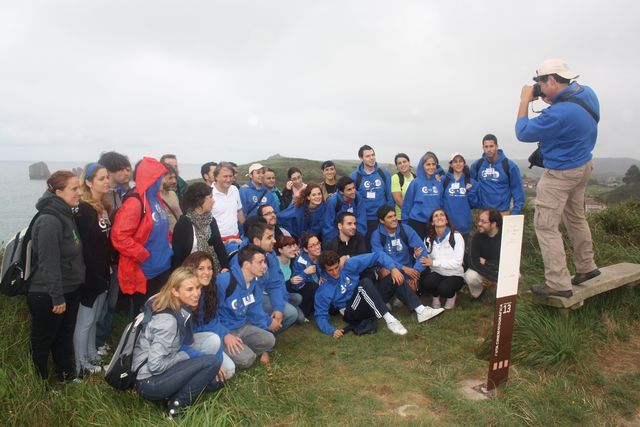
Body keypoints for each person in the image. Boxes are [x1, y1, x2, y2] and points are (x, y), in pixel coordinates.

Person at [516, 58, 601, 297]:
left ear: (552, 80)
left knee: (545, 225)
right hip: (583, 165)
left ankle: (558, 283)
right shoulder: (587, 94)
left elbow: (522, 132)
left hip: (561, 174)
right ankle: (586, 266)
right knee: (576, 218)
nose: (538, 88)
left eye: (541, 83)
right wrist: (552, 98)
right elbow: (572, 113)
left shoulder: (559, 113)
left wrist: (524, 100)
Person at [132, 267, 224, 419]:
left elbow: (184, 342)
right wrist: (184, 355)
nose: (196, 293)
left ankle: (169, 396)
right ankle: (174, 409)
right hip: (148, 382)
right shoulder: (168, 322)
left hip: (159, 370)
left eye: (198, 287)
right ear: (175, 291)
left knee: (214, 381)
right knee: (211, 363)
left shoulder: (176, 306)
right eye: (189, 289)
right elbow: (155, 366)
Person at [28, 171, 85, 381]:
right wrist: (57, 296)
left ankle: (66, 376)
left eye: (79, 187)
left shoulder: (66, 213)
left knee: (63, 336)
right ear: (58, 192)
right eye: (75, 189)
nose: (80, 193)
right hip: (48, 293)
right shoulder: (49, 220)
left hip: (69, 288)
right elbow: (48, 262)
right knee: (43, 340)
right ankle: (38, 383)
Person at [111, 157, 172, 317]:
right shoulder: (135, 202)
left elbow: (160, 229)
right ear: (151, 177)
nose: (162, 180)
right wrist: (142, 254)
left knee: (159, 313)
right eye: (159, 176)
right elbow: (119, 236)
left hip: (162, 267)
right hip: (145, 272)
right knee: (143, 315)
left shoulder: (156, 199)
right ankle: (136, 342)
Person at [314, 251, 419, 338]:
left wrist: (393, 268)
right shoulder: (323, 289)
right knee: (364, 283)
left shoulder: (348, 265)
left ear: (339, 263)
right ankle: (390, 321)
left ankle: (420, 309)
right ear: (324, 270)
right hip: (351, 311)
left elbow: (378, 255)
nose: (335, 272)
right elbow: (320, 315)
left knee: (393, 277)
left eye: (336, 268)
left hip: (367, 298)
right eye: (330, 270)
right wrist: (331, 330)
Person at [73, 163, 112, 377]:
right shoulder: (85, 210)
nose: (107, 181)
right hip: (90, 275)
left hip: (103, 272)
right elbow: (85, 248)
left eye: (107, 177)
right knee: (85, 320)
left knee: (95, 317)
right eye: (101, 178)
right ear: (88, 182)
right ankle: (80, 365)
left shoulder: (101, 206)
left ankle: (90, 355)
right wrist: (94, 276)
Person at [216, 246, 277, 369]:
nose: (264, 266)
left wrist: (265, 350)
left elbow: (257, 315)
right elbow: (208, 314)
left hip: (242, 327)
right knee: (247, 359)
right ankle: (221, 349)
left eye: (264, 262)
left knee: (270, 339)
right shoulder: (224, 281)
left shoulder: (254, 285)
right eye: (260, 262)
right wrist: (225, 334)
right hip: (222, 330)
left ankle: (240, 346)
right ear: (247, 264)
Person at [95, 150, 132, 354]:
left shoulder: (120, 193)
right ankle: (96, 342)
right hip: (104, 258)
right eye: (120, 170)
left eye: (127, 169)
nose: (125, 174)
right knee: (101, 303)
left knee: (111, 302)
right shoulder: (100, 198)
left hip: (117, 256)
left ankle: (103, 339)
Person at [182, 252, 236, 380]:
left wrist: (225, 333)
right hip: (183, 345)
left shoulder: (209, 290)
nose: (207, 272)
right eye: (201, 268)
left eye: (210, 268)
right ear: (190, 269)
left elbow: (213, 319)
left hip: (204, 338)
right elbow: (179, 341)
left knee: (230, 370)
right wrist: (211, 362)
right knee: (214, 341)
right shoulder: (184, 294)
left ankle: (204, 370)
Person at [246, 223, 303, 333]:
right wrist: (268, 320)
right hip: (251, 301)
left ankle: (266, 337)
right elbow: (248, 298)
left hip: (265, 294)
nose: (274, 240)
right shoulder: (244, 260)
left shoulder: (269, 255)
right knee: (292, 313)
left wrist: (278, 308)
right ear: (257, 241)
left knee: (292, 309)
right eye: (269, 237)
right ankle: (261, 339)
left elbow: (275, 283)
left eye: (273, 236)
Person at [172, 182, 229, 273]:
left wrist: (225, 267)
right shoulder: (183, 224)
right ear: (199, 201)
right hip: (191, 274)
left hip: (213, 270)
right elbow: (177, 257)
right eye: (210, 197)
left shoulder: (211, 220)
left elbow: (219, 246)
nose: (213, 200)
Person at [418, 209, 465, 310]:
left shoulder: (456, 236)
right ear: (432, 222)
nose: (439, 217)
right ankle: (435, 297)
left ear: (446, 220)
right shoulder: (427, 239)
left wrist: (434, 263)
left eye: (442, 215)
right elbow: (426, 258)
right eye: (436, 216)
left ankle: (451, 296)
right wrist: (416, 255)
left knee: (445, 289)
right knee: (427, 282)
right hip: (437, 272)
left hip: (455, 274)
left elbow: (457, 263)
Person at [470, 134, 525, 215]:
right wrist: (474, 203)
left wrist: (515, 213)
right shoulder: (477, 165)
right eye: (486, 147)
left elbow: (518, 191)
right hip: (483, 214)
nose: (489, 149)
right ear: (483, 148)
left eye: (491, 146)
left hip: (502, 213)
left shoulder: (509, 166)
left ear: (497, 146)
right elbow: (471, 186)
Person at [351, 145, 394, 239]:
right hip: (364, 220)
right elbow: (352, 200)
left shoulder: (384, 174)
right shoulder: (355, 177)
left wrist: (390, 217)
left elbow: (389, 197)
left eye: (373, 155)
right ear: (361, 158)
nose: (371, 158)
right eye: (367, 156)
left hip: (382, 219)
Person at [402, 152, 444, 239]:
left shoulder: (438, 183)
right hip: (417, 223)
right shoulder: (415, 183)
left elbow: (442, 204)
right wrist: (405, 225)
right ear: (422, 166)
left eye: (433, 164)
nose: (431, 167)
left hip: (434, 223)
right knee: (418, 251)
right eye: (428, 164)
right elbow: (407, 205)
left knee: (432, 251)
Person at [464, 209, 502, 299]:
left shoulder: (505, 236)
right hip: (485, 271)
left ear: (493, 224)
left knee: (517, 275)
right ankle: (478, 294)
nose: (479, 224)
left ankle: (504, 296)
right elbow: (473, 263)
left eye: (483, 222)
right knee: (470, 276)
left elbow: (508, 261)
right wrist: (492, 277)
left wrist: (487, 262)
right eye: (479, 220)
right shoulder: (476, 237)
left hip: (498, 269)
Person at [442, 153, 478, 238]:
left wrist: (470, 192)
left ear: (464, 163)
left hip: (464, 228)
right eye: (455, 162)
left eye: (460, 161)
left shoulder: (471, 182)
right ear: (451, 164)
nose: (458, 164)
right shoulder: (444, 180)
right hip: (447, 227)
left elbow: (474, 204)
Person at [323, 176, 367, 243]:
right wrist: (338, 241)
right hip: (337, 238)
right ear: (341, 192)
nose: (353, 191)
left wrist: (357, 238)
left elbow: (361, 220)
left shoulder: (358, 198)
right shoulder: (333, 202)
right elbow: (328, 226)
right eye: (349, 190)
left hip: (354, 236)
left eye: (353, 188)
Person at [211, 162, 245, 247]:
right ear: (216, 177)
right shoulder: (208, 194)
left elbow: (239, 211)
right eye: (225, 176)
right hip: (218, 241)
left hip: (236, 238)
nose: (229, 179)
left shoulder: (234, 190)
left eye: (231, 176)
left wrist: (247, 228)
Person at [274, 236, 307, 324]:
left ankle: (290, 307)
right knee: (300, 318)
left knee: (298, 297)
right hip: (277, 296)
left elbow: (308, 261)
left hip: (287, 294)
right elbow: (275, 287)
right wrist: (290, 282)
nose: (293, 249)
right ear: (280, 250)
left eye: (294, 245)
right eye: (289, 247)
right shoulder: (274, 263)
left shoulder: (292, 260)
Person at [290, 233, 322, 318]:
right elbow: (296, 285)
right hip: (304, 293)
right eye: (313, 245)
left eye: (318, 243)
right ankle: (303, 311)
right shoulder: (300, 261)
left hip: (319, 288)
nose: (318, 247)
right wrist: (305, 272)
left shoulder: (321, 256)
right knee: (313, 287)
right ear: (305, 249)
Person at [390, 153, 416, 222]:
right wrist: (412, 212)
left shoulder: (415, 177)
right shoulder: (395, 178)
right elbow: (398, 200)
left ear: (409, 162)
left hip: (415, 216)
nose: (402, 164)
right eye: (399, 163)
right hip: (401, 218)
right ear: (397, 166)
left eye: (404, 162)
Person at [160, 164, 182, 237]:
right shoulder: (155, 196)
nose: (174, 181)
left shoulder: (173, 194)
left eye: (175, 178)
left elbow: (179, 215)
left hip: (177, 236)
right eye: (170, 178)